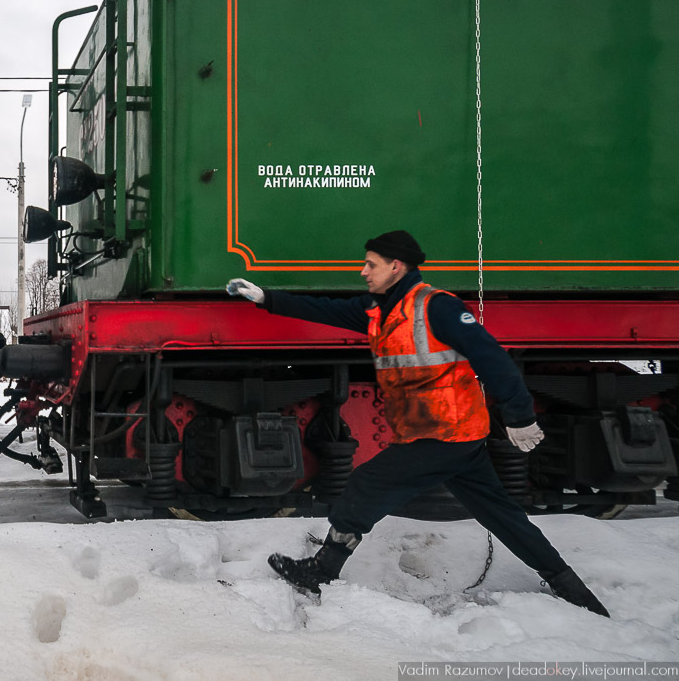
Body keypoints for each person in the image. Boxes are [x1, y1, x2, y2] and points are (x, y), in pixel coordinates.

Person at [226, 230, 609, 616]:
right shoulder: (377, 311)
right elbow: (323, 309)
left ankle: (322, 570)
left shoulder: (437, 308)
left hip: (443, 434)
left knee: (365, 484)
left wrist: (520, 415)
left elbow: (491, 357)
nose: (363, 272)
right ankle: (572, 589)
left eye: (371, 264)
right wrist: (265, 298)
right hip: (451, 436)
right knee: (503, 516)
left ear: (396, 266)